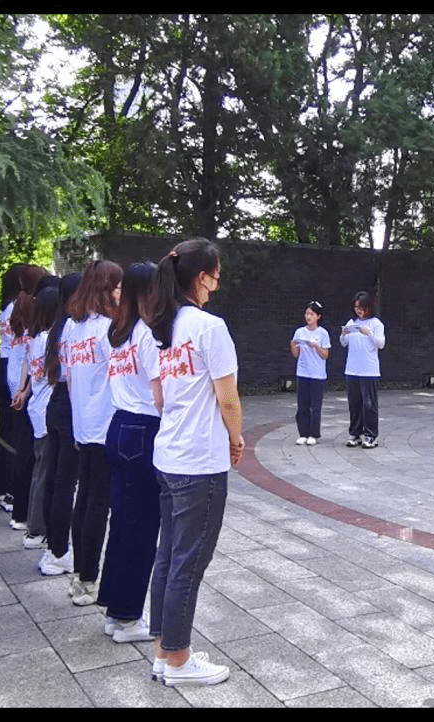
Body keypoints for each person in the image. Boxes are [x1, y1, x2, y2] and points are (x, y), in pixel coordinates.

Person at [146, 238, 243, 687]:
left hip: (169, 454)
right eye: (216, 277)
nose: (217, 285)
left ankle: (164, 651)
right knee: (189, 561)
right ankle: (180, 660)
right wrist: (236, 438)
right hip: (200, 461)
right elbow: (229, 399)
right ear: (201, 278)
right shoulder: (208, 327)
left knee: (168, 556)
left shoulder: (161, 327)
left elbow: (160, 398)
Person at [97, 261, 161, 643]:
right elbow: (159, 393)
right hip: (143, 428)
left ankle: (114, 606)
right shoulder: (147, 335)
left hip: (118, 425)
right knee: (142, 526)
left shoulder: (116, 332)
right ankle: (127, 616)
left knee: (121, 522)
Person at [63, 259, 123, 605]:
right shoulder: (108, 330)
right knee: (96, 504)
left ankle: (79, 573)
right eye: (118, 286)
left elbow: (71, 378)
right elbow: (120, 375)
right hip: (105, 424)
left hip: (84, 424)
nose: (121, 292)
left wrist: (76, 422)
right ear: (107, 289)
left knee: (84, 500)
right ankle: (87, 578)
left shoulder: (73, 328)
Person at [38, 273, 82, 577]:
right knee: (64, 483)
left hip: (56, 403)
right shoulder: (74, 328)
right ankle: (58, 551)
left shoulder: (58, 327)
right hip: (69, 404)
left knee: (54, 480)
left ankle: (52, 544)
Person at [12, 286, 61, 550]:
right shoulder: (48, 340)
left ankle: (35, 525)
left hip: (37, 407)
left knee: (40, 470)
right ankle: (36, 529)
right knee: (43, 473)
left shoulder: (36, 338)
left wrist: (24, 392)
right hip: (45, 411)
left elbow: (34, 374)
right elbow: (52, 375)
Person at [6, 265, 49, 530]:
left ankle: (18, 508)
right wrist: (24, 389)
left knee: (22, 450)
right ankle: (28, 516)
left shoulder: (18, 307)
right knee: (33, 458)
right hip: (29, 392)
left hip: (19, 387)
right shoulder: (38, 321)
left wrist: (21, 389)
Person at [0, 263, 26, 512]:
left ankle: (0, 483)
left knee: (4, 429)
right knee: (14, 431)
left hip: (3, 364)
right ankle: (11, 489)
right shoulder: (17, 307)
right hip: (12, 367)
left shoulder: (6, 307)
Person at [339, 290, 386, 449]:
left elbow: (381, 344)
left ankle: (371, 435)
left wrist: (369, 333)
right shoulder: (351, 323)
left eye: (361, 307)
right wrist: (343, 334)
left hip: (369, 371)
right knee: (354, 404)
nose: (358, 310)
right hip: (352, 370)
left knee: (369, 404)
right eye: (356, 307)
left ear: (368, 307)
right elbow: (344, 343)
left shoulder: (376, 324)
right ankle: (355, 434)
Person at [289, 300, 331, 446]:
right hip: (302, 372)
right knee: (302, 405)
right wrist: (293, 345)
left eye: (312, 314)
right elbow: (295, 354)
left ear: (318, 316)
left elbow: (325, 355)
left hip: (317, 374)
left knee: (315, 406)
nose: (308, 317)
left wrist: (317, 347)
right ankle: (303, 433)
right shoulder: (299, 332)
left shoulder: (323, 333)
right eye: (307, 313)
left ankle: (314, 434)